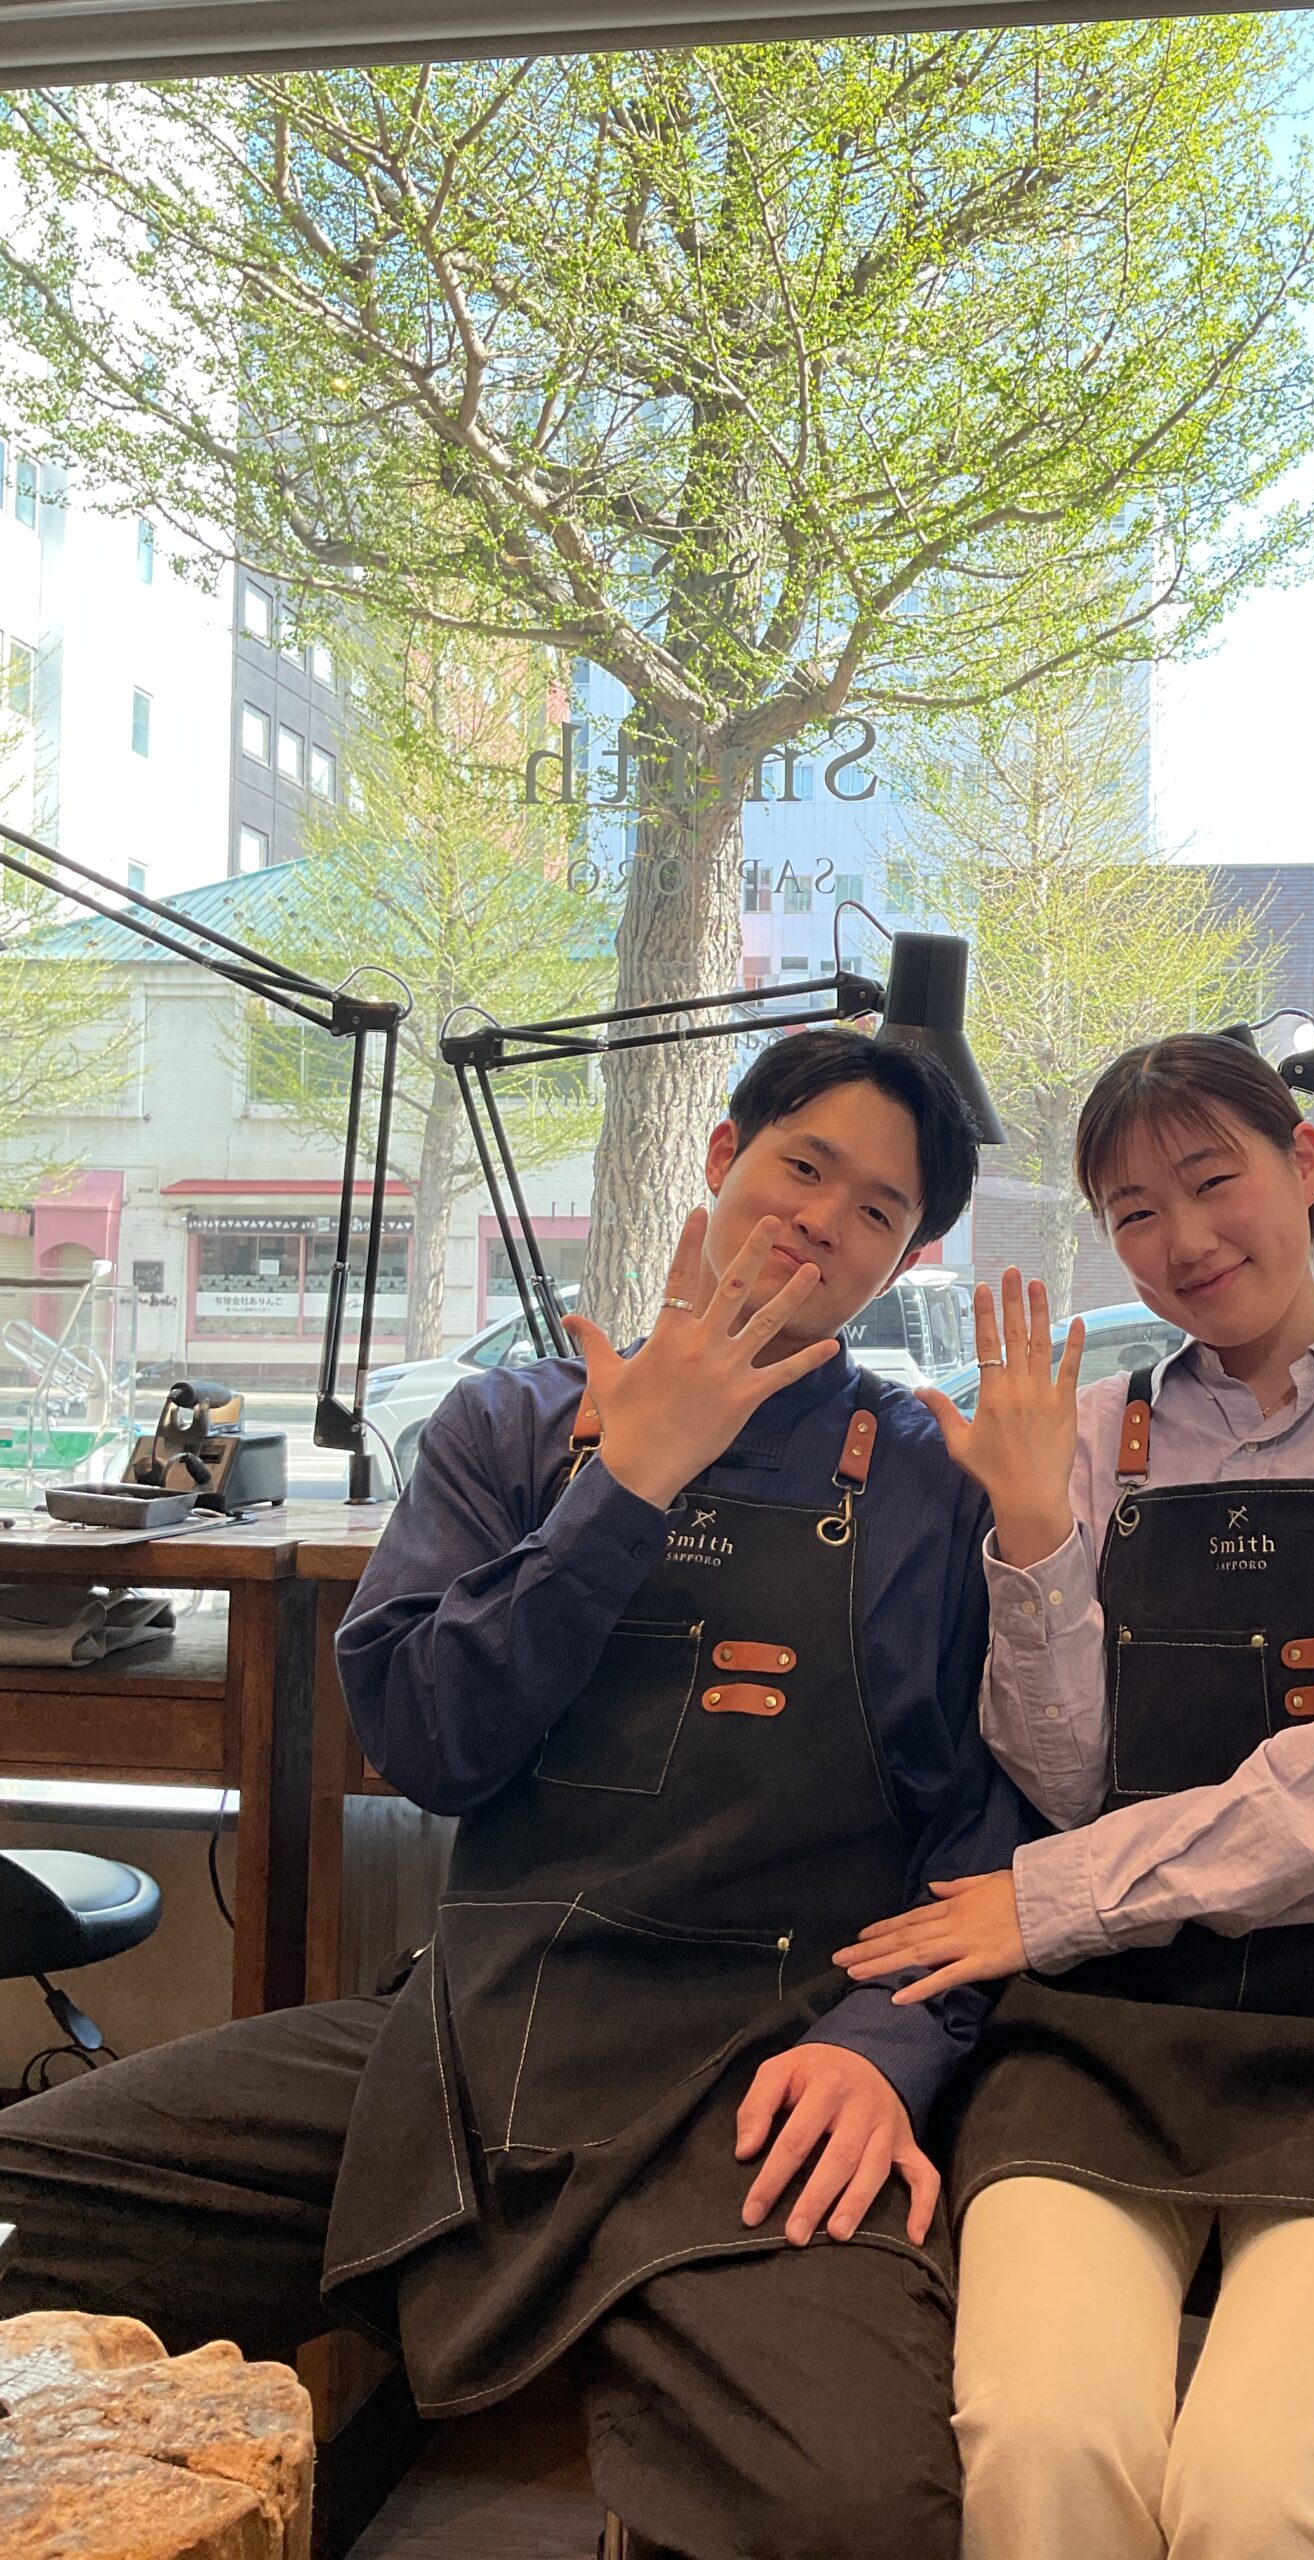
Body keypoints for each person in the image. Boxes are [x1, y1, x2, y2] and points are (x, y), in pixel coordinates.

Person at [0, 1028, 1027, 2560]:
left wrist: (885, 2048)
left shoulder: (934, 1484)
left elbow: (981, 1842)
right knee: (28, 2204)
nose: (823, 1218)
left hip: (769, 2073)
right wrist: (628, 1486)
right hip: (477, 2040)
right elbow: (429, 1742)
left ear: (907, 1255)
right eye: (803, 1165)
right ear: (721, 1156)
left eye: (877, 1208)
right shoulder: (512, 1430)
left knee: (856, 2511)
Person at [841, 1032, 1314, 2560]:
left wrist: (1052, 1900)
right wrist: (1031, 1527)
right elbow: (1066, 1773)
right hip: (1111, 2029)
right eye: (1134, 1212)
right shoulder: (1095, 1437)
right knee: (1044, 2438)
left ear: (1303, 1165)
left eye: (1213, 1180)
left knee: (1270, 2486)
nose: (1182, 1239)